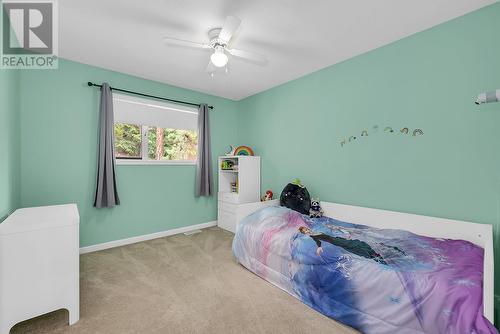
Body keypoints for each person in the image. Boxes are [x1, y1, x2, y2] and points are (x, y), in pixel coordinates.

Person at [298, 226, 387, 265]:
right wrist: (319, 248)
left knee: (352, 246)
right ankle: (374, 256)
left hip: (335, 239)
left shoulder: (314, 232)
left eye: (306, 229)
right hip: (334, 241)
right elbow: (318, 241)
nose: (307, 230)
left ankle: (373, 255)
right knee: (354, 244)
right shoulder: (312, 236)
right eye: (305, 231)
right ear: (304, 233)